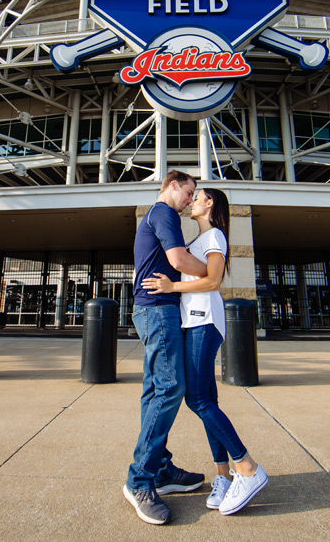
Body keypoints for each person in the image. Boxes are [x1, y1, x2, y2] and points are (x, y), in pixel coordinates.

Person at [142, 187, 268, 516]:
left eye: (196, 196)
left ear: (209, 203)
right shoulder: (198, 240)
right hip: (191, 323)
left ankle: (248, 468)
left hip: (204, 322)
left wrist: (172, 286)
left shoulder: (214, 237)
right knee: (206, 400)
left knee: (197, 400)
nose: (191, 200)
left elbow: (213, 281)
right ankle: (223, 477)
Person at [124, 170, 209, 525]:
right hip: (157, 311)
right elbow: (177, 259)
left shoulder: (157, 216)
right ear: (172, 186)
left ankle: (159, 470)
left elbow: (170, 260)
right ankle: (139, 479)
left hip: (152, 310)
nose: (190, 199)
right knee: (172, 386)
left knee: (155, 389)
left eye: (193, 195)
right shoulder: (164, 213)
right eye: (188, 192)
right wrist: (212, 272)